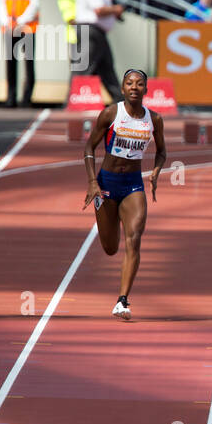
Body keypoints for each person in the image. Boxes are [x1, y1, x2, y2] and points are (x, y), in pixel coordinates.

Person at [82, 68, 167, 320]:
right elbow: (89, 146)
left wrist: (156, 171)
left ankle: (122, 300)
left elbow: (162, 151)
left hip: (133, 185)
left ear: (146, 90)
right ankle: (121, 296)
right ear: (122, 88)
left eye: (139, 84)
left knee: (134, 239)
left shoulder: (154, 119)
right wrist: (91, 182)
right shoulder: (111, 113)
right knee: (110, 247)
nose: (134, 87)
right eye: (129, 83)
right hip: (106, 184)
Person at [73, 0, 124, 103]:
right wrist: (116, 9)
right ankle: (72, 102)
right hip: (90, 31)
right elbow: (99, 10)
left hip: (96, 32)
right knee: (83, 68)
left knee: (106, 68)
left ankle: (120, 102)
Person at [0, 0, 43, 107]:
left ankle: (27, 98)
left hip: (27, 26)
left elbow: (35, 1)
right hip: (10, 25)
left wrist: (21, 20)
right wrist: (7, 21)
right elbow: (2, 0)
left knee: (28, 62)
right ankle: (10, 97)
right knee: (10, 62)